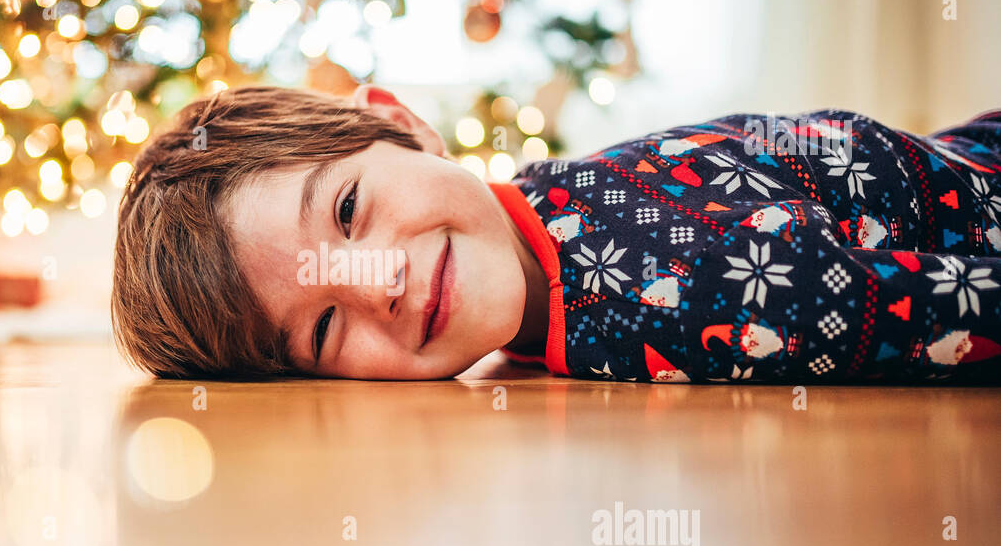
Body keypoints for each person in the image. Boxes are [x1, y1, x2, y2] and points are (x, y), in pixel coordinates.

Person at [112, 84, 1001, 382]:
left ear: (401, 121)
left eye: (347, 211)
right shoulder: (539, 208)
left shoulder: (693, 298)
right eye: (321, 327)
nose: (378, 281)